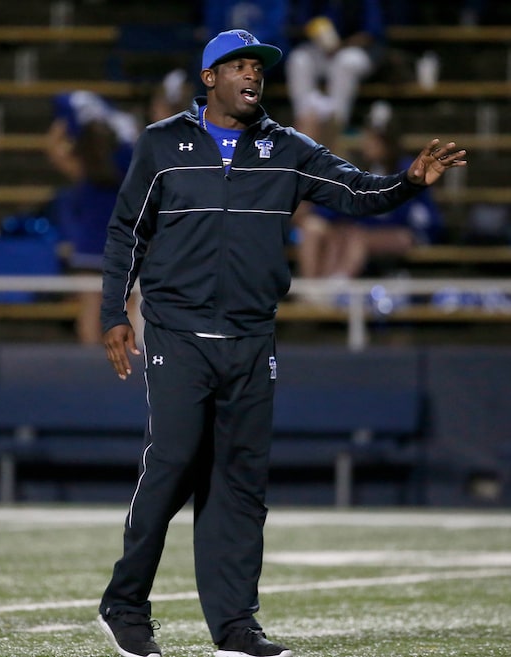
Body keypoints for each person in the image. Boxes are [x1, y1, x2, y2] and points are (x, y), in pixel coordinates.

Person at [96, 28, 465, 657]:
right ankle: (124, 604)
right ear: (208, 77)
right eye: (238, 66)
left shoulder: (286, 149)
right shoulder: (162, 146)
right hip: (179, 332)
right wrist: (114, 313)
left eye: (258, 68)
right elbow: (127, 229)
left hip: (250, 336)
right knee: (175, 462)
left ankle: (235, 627)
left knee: (239, 483)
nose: (252, 75)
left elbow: (352, 191)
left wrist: (408, 183)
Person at [294, 101, 444, 284]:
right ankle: (314, 292)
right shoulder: (359, 170)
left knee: (357, 238)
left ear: (387, 142)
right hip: (363, 231)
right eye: (368, 137)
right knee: (335, 234)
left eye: (373, 139)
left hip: (402, 234)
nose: (367, 143)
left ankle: (336, 286)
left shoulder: (408, 169)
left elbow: (417, 217)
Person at [45, 91, 139, 344]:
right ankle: (125, 365)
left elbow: (54, 150)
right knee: (126, 307)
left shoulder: (84, 173)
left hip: (88, 249)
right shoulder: (128, 174)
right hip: (122, 248)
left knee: (90, 308)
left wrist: (64, 122)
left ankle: (90, 370)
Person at [284, 0, 387, 151]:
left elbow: (371, 33)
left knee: (345, 62)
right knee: (299, 60)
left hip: (357, 52)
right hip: (322, 50)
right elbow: (299, 23)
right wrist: (317, 35)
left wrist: (340, 46)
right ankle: (306, 122)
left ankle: (336, 125)